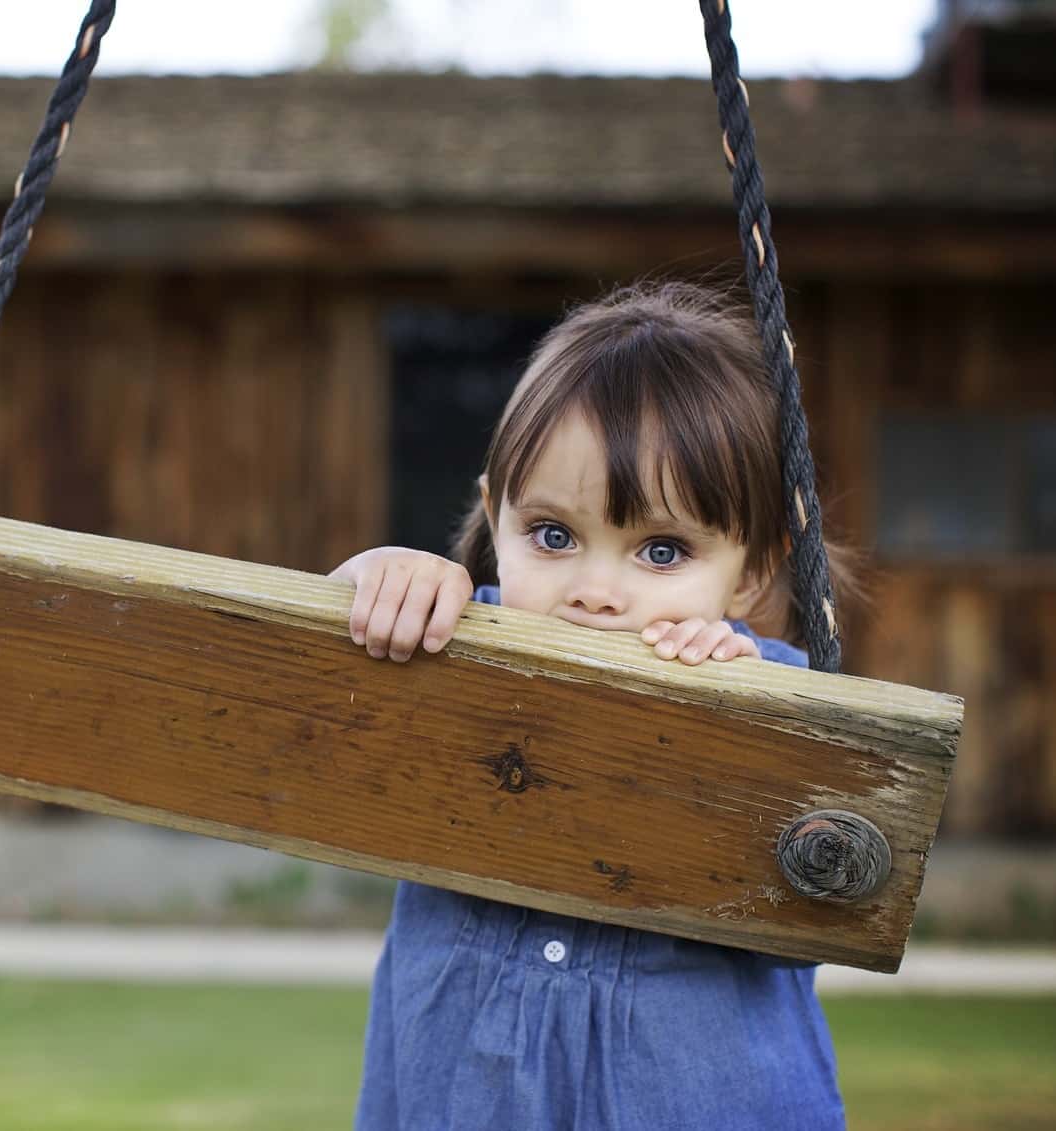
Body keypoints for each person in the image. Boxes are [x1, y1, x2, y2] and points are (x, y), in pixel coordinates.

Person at [332, 281, 856, 1130]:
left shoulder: (770, 688)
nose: (595, 591)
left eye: (660, 549)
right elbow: (313, 696)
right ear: (495, 515)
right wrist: (376, 581)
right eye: (552, 535)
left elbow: (838, 837)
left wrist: (737, 696)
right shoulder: (448, 650)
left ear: (752, 571)